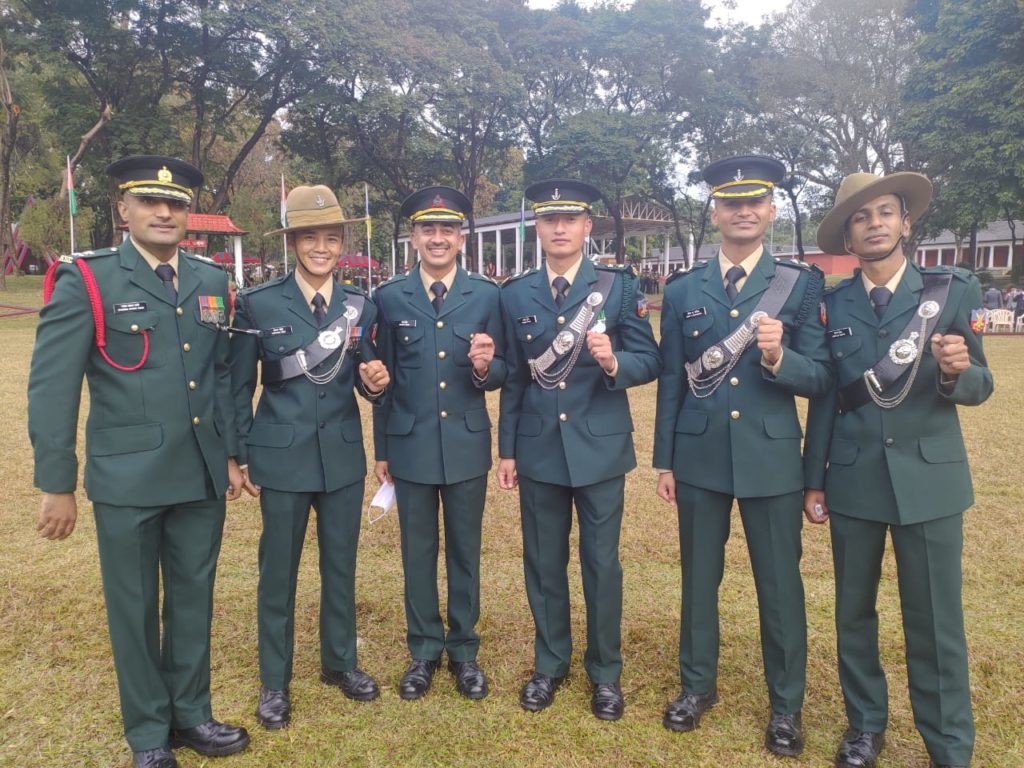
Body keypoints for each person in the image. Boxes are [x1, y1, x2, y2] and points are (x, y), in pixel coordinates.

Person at [28, 155, 250, 768]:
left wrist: (231, 454)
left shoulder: (210, 281)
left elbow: (223, 375)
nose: (163, 212)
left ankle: (192, 714)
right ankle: (149, 734)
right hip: (127, 477)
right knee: (134, 607)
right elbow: (52, 386)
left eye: (175, 203)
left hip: (201, 473)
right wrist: (57, 482)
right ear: (122, 210)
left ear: (188, 215)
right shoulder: (89, 279)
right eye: (149, 201)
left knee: (192, 598)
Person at [804, 172, 992, 768]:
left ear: (906, 222)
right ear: (848, 235)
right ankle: (865, 728)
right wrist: (814, 479)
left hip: (930, 481)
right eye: (861, 217)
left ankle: (947, 744)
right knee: (853, 613)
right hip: (854, 477)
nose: (875, 224)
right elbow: (828, 397)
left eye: (886, 212)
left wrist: (958, 370)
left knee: (936, 622)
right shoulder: (830, 304)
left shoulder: (951, 292)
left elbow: (982, 385)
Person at [652, 155, 832, 756]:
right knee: (699, 581)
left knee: (778, 587)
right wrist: (664, 460)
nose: (744, 211)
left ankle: (786, 706)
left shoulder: (800, 284)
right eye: (731, 203)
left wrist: (781, 360)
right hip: (699, 457)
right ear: (716, 212)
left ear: (772, 209)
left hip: (772, 460)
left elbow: (821, 377)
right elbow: (673, 383)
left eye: (755, 201)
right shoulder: (682, 290)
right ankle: (696, 687)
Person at [497, 179, 661, 721]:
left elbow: (650, 358)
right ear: (538, 229)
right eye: (550, 220)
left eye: (570, 220)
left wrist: (614, 363)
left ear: (587, 228)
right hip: (539, 447)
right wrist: (508, 450)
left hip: (600, 450)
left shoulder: (615, 287)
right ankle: (550, 665)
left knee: (601, 564)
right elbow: (517, 379)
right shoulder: (515, 294)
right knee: (544, 563)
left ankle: (605, 672)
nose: (560, 229)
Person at [228, 185, 390, 730]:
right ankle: (275, 681)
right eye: (309, 237)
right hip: (281, 458)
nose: (321, 248)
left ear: (340, 244)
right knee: (279, 573)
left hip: (341, 456)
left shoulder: (361, 306)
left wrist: (375, 383)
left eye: (330, 238)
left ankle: (340, 663)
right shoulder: (259, 302)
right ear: (293, 241)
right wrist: (243, 451)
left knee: (340, 567)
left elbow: (369, 378)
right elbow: (237, 386)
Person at [371, 186, 506, 701]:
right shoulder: (389, 296)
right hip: (410, 446)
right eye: (428, 229)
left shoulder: (487, 295)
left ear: (461, 238)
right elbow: (381, 379)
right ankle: (424, 650)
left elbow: (503, 370)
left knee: (465, 552)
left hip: (467, 444)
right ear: (413, 237)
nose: (437, 238)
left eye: (447, 229)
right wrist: (382, 449)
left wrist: (484, 367)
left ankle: (465, 651)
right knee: (418, 551)